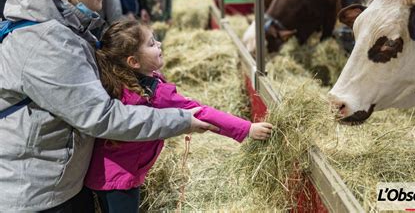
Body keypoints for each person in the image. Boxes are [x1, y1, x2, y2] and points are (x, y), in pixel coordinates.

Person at [0, 0, 216, 212]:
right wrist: (181, 120)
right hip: (38, 193)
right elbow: (100, 116)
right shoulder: (47, 42)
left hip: (54, 180)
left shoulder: (65, 26)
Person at [84, 20, 273, 212]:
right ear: (133, 62)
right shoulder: (156, 94)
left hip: (103, 171)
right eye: (151, 44)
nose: (159, 44)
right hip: (121, 180)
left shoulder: (118, 81)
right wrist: (247, 129)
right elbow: (204, 113)